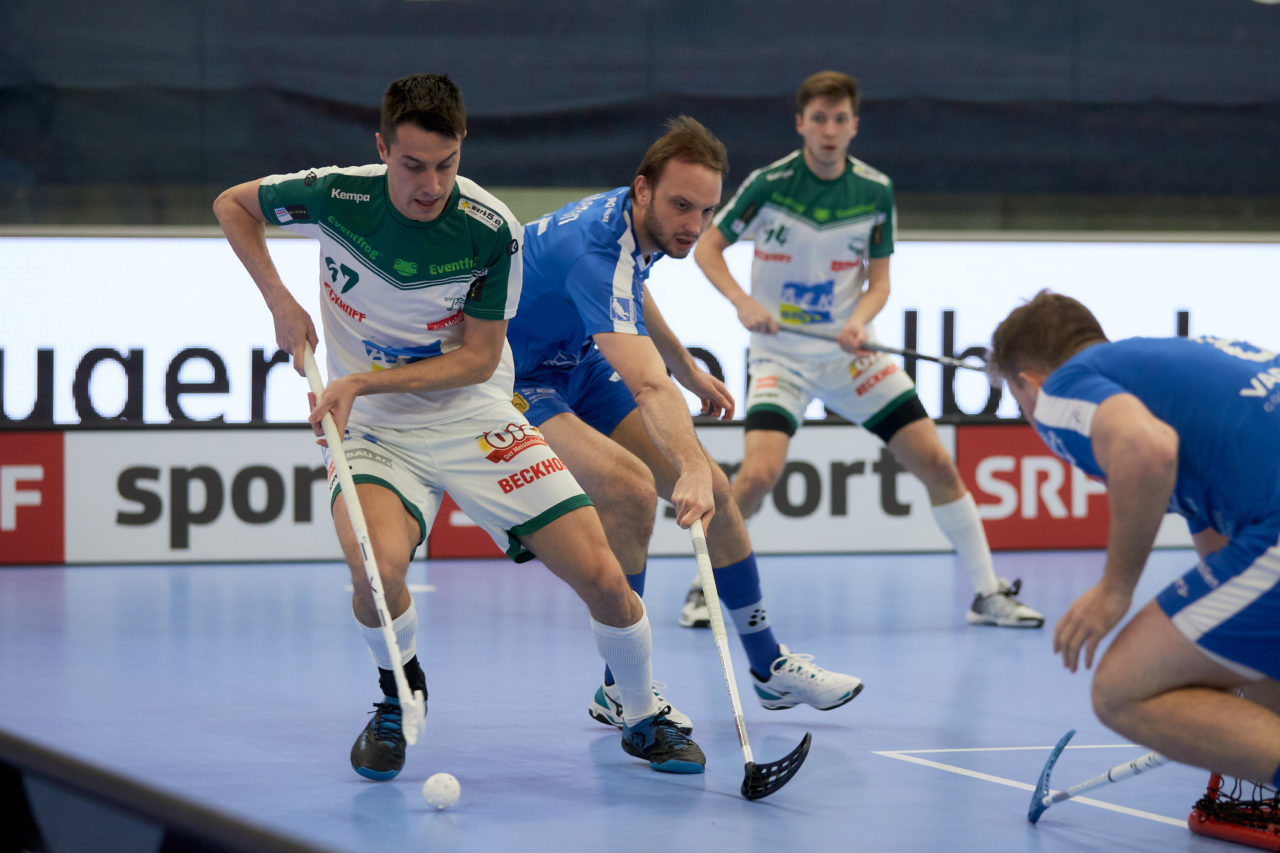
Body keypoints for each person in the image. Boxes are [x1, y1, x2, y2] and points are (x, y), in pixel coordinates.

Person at [212, 73, 706, 780]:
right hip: (375, 429)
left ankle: (636, 711)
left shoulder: (488, 228)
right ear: (383, 149)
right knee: (374, 570)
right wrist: (280, 301)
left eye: (446, 164)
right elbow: (233, 204)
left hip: (471, 415)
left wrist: (360, 381)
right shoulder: (337, 195)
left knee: (601, 573)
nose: (431, 184)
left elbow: (477, 362)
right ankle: (397, 692)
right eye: (412, 165)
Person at [508, 115, 863, 733]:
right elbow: (647, 386)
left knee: (720, 495)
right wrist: (690, 462)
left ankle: (769, 667)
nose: (693, 227)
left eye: (705, 211)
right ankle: (622, 689)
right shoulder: (591, 249)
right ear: (642, 188)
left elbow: (632, 291)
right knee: (629, 488)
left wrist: (689, 367)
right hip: (516, 379)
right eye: (681, 206)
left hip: (579, 363)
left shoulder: (632, 224)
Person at [689, 70, 1043, 629]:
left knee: (938, 463)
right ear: (801, 123)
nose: (830, 130)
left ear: (854, 126)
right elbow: (708, 246)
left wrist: (858, 320)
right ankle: (704, 587)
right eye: (819, 119)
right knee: (756, 477)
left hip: (853, 355)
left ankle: (987, 594)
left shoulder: (876, 190)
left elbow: (879, 282)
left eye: (840, 119)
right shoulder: (768, 183)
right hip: (781, 356)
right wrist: (740, 302)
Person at [987, 289, 1280, 787]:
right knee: (1256, 673)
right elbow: (1222, 559)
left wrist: (1114, 590)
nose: (1030, 418)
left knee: (1121, 689)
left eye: (1020, 405)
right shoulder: (1165, 373)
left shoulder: (1062, 390)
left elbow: (1147, 450)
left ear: (1027, 384)